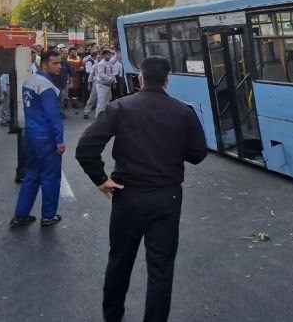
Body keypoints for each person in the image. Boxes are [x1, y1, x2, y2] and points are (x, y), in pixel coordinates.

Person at [75, 55, 208, 322]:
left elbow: (86, 148)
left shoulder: (120, 108)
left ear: (140, 79)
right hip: (167, 198)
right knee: (161, 269)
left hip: (128, 195)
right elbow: (197, 154)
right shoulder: (183, 111)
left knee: (119, 262)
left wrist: (101, 179)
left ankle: (112, 316)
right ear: (168, 82)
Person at [10, 50, 67, 228]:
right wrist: (60, 140)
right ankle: (48, 215)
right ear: (44, 65)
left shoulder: (29, 81)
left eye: (60, 63)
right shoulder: (47, 86)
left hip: (32, 135)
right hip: (46, 137)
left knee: (31, 176)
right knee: (50, 177)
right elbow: (53, 116)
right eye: (55, 63)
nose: (59, 66)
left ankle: (21, 215)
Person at [91, 49, 116, 119]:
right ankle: (98, 117)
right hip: (102, 85)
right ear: (104, 55)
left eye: (110, 55)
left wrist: (116, 51)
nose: (110, 56)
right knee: (101, 101)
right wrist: (110, 79)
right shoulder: (101, 64)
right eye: (108, 55)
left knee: (107, 101)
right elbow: (101, 74)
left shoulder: (109, 62)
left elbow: (116, 59)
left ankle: (104, 116)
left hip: (108, 85)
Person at [82, 49, 102, 119]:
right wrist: (89, 84)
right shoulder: (94, 65)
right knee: (92, 98)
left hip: (104, 84)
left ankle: (100, 113)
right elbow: (90, 75)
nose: (99, 58)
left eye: (100, 57)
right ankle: (86, 112)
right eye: (98, 57)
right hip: (96, 83)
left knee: (103, 99)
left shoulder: (106, 65)